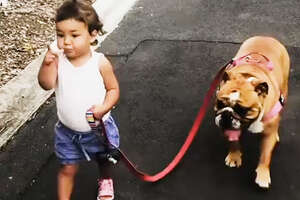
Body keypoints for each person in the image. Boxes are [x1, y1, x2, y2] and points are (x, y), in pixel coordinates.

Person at [38, 0, 120, 199]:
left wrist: (104, 106)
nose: (66, 41)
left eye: (74, 35)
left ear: (92, 35)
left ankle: (106, 180)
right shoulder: (59, 61)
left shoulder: (99, 63)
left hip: (99, 129)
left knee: (104, 160)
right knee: (67, 168)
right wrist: (46, 64)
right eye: (60, 35)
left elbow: (113, 89)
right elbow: (46, 84)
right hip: (67, 132)